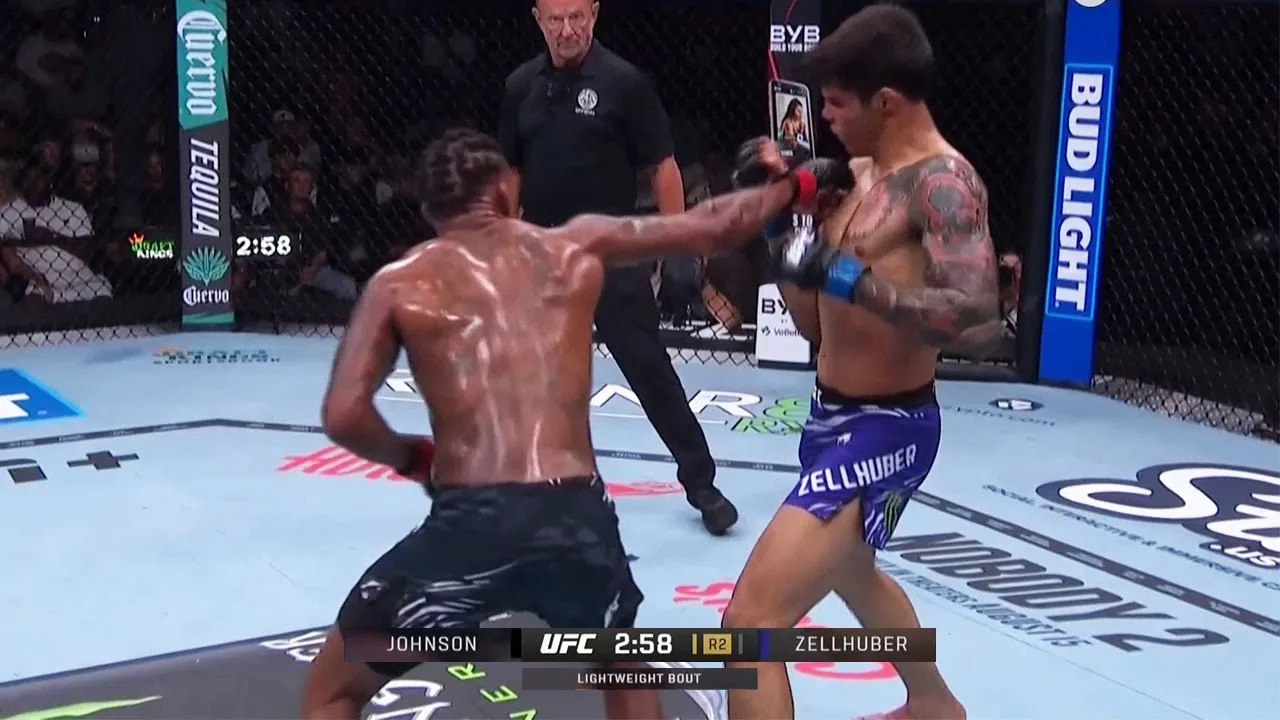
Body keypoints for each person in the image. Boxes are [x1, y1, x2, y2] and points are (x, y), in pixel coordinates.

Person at [299, 127, 848, 720]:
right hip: (574, 517)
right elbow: (713, 225)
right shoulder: (572, 246)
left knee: (335, 690)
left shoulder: (397, 283)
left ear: (429, 209)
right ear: (506, 190)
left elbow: (344, 415)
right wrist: (797, 185)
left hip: (471, 521)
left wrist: (413, 458)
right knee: (621, 668)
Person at [721, 5, 1002, 720]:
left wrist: (856, 281)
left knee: (750, 626)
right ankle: (934, 703)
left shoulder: (943, 185)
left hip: (889, 429)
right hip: (830, 416)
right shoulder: (858, 178)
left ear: (887, 102)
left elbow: (979, 323)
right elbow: (814, 325)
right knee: (852, 572)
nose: (825, 117)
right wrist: (780, 228)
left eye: (838, 103)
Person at [498, 0, 738, 534]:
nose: (567, 30)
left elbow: (663, 166)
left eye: (577, 17)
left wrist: (678, 241)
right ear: (538, 20)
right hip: (545, 255)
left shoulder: (623, 82)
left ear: (595, 15)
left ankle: (701, 483)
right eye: (556, 20)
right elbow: (510, 171)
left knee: (649, 369)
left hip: (613, 254)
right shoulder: (520, 87)